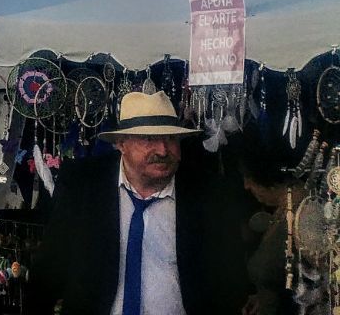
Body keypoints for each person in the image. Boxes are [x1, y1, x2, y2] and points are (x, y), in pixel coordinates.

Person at [29, 91, 250, 315]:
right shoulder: (84, 186)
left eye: (171, 139)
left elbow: (231, 281)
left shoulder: (207, 193)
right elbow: (49, 269)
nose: (163, 150)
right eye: (149, 139)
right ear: (121, 144)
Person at [238, 136, 299, 315]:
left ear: (263, 172)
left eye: (248, 177)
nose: (246, 186)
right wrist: (264, 296)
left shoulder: (303, 215)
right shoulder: (284, 210)